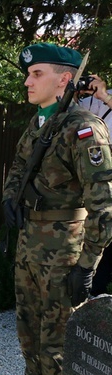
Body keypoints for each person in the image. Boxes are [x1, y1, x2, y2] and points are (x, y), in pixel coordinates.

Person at [0, 43, 112, 375]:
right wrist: (10, 199)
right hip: (32, 241)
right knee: (29, 328)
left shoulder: (84, 127)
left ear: (64, 79)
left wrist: (89, 264)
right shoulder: (41, 122)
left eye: (36, 73)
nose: (27, 81)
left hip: (65, 246)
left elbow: (104, 204)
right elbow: (18, 169)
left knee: (58, 335)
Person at [78, 75, 112, 296]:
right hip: (88, 180)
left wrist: (104, 97)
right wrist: (72, 96)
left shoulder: (107, 98)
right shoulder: (82, 104)